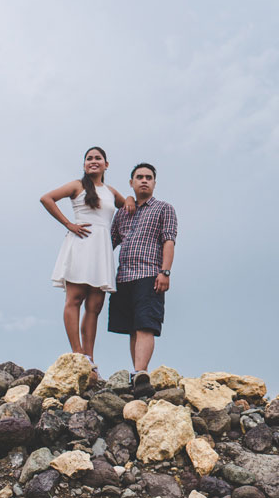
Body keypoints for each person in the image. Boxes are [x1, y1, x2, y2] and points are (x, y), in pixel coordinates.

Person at [40, 146, 134, 376]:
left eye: (98, 158)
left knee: (95, 306)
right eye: (89, 159)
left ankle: (90, 359)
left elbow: (127, 204)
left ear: (106, 164)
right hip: (81, 243)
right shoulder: (77, 185)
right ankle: (77, 354)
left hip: (101, 250)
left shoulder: (110, 191)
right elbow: (47, 198)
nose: (93, 161)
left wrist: (130, 197)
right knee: (74, 299)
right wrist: (69, 224)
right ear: (84, 165)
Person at [108, 162, 177, 395]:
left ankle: (140, 371)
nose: (144, 180)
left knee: (146, 324)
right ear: (132, 182)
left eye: (149, 177)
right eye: (139, 177)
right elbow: (110, 243)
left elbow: (169, 240)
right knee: (132, 328)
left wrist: (165, 271)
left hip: (150, 274)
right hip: (124, 276)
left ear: (155, 183)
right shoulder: (122, 213)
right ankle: (138, 373)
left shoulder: (164, 209)